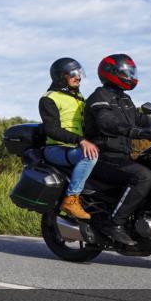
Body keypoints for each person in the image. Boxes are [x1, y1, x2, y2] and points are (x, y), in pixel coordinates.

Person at [83, 54, 151, 246]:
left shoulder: (125, 99)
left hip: (123, 156)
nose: (130, 76)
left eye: (131, 72)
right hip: (103, 156)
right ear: (111, 73)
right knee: (144, 177)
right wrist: (136, 132)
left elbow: (143, 120)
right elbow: (107, 122)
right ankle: (114, 223)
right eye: (126, 72)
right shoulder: (99, 97)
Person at [39, 58, 99, 220]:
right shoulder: (50, 98)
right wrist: (81, 140)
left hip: (74, 148)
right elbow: (52, 130)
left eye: (79, 73)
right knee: (89, 155)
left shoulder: (79, 98)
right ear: (60, 76)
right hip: (56, 148)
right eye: (73, 74)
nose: (78, 77)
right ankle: (71, 199)